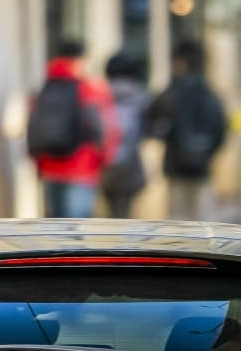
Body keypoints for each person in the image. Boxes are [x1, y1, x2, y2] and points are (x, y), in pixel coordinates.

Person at [28, 37, 118, 218]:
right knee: (78, 231)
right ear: (82, 60)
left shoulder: (45, 87)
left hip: (50, 166)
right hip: (82, 166)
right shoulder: (89, 88)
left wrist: (38, 161)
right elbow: (101, 127)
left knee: (56, 229)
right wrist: (105, 158)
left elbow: (33, 126)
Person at [145, 40, 227, 221]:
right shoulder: (210, 94)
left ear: (180, 62)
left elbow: (151, 117)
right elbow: (221, 130)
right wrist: (207, 152)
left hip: (176, 165)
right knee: (204, 221)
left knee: (177, 222)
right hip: (201, 167)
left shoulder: (171, 93)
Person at [100, 53, 150, 219]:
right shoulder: (141, 96)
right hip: (131, 162)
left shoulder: (99, 94)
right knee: (126, 211)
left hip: (104, 162)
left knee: (111, 209)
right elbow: (147, 129)